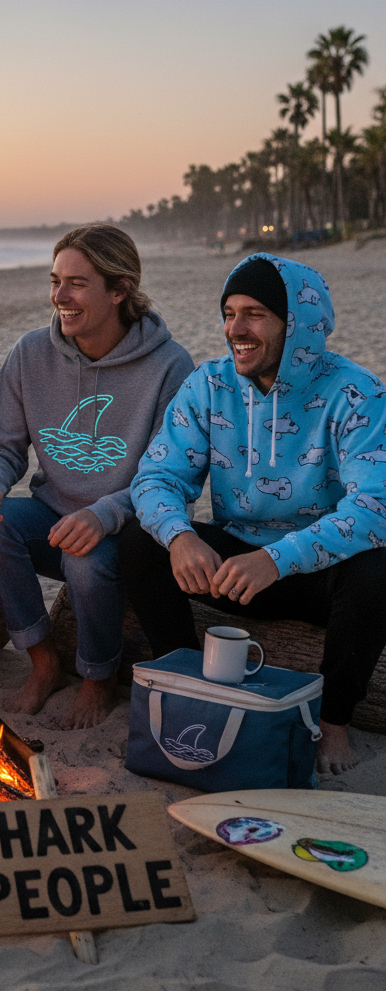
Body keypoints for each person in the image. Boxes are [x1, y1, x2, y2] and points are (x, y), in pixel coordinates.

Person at [123, 252, 386, 775]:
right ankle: (188, 684)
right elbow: (155, 478)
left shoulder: (357, 393)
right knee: (137, 540)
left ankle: (333, 723)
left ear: (299, 325)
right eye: (228, 312)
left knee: (378, 568)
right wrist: (179, 537)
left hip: (314, 571)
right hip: (235, 569)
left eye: (255, 314)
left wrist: (278, 558)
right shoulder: (209, 386)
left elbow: (374, 506)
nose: (235, 330)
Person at [0, 223, 193, 728]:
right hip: (51, 513)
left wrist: (106, 513)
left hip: (125, 527)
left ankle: (97, 679)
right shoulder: (31, 353)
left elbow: (173, 475)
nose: (59, 297)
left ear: (119, 290)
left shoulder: (170, 366)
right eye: (54, 281)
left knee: (87, 560)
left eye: (76, 283)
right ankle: (43, 660)